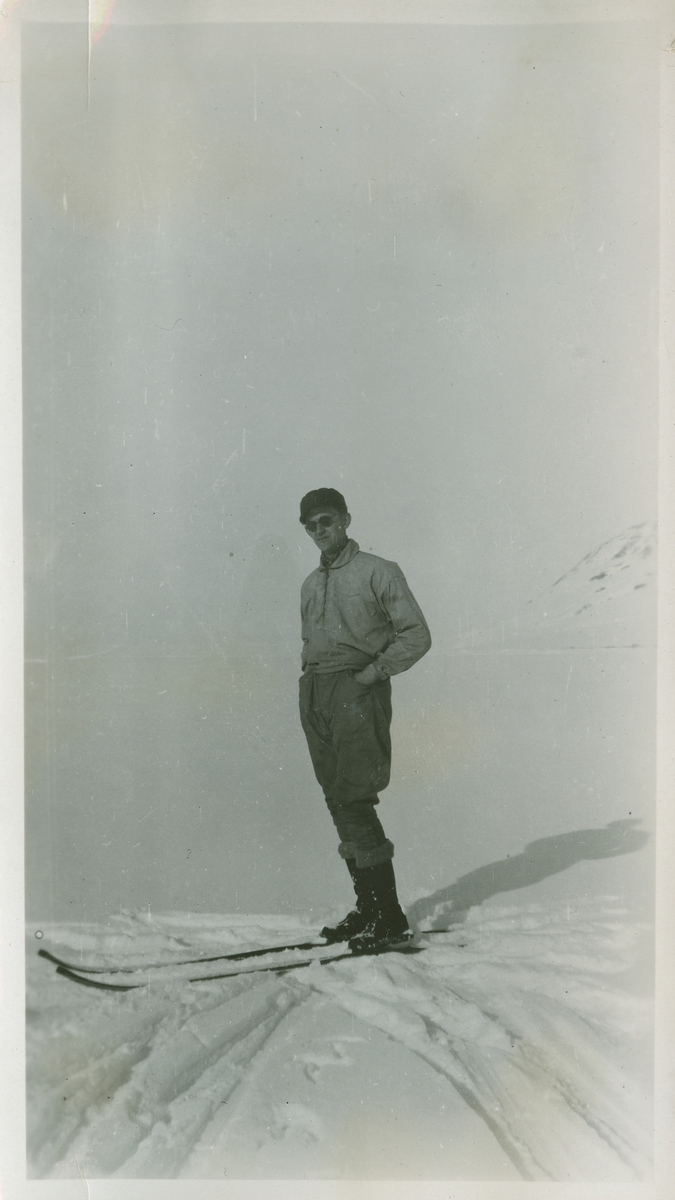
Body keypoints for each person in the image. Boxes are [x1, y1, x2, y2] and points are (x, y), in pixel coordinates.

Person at [298, 487, 431, 953]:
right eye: (311, 524)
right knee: (337, 798)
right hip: (316, 693)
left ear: (346, 520)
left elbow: (416, 635)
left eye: (328, 520)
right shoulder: (311, 584)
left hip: (356, 692)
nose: (321, 531)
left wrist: (371, 674)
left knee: (355, 799)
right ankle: (368, 909)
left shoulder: (378, 571)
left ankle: (390, 920)